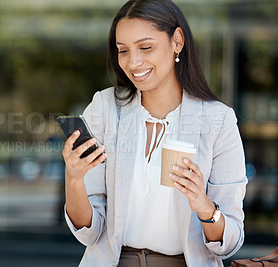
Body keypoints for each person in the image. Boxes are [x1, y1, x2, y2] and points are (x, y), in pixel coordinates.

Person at [62, 0, 247, 266]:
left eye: (145, 47)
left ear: (177, 41)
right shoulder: (104, 108)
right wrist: (74, 178)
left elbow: (229, 243)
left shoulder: (218, 120)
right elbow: (89, 233)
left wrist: (204, 205)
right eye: (122, 50)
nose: (133, 62)